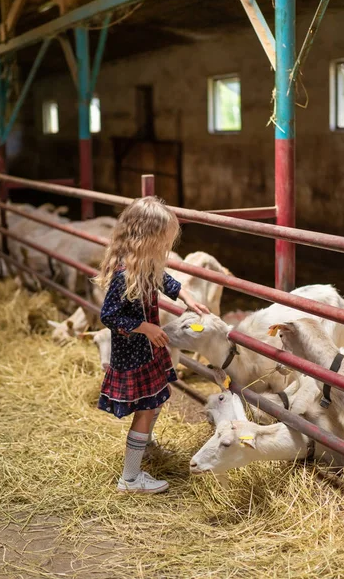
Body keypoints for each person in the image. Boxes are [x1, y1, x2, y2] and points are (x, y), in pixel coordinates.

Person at [94, 196, 209, 494]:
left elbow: (161, 278)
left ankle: (142, 444)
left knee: (156, 400)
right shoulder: (123, 275)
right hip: (134, 354)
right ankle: (130, 479)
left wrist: (185, 294)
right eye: (163, 240)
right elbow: (109, 315)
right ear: (146, 237)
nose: (165, 247)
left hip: (147, 350)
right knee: (146, 409)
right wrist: (144, 327)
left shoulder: (140, 263)